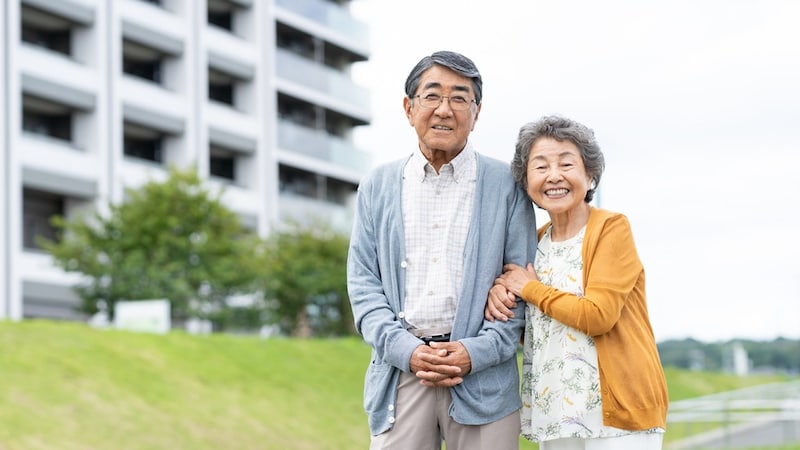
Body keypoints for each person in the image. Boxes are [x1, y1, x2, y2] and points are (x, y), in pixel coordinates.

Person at [346, 50, 537, 450]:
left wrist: (475, 351)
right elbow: (363, 287)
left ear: (477, 112)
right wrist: (407, 350)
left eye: (459, 98)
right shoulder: (377, 185)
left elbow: (523, 282)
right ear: (408, 107)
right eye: (432, 96)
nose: (444, 110)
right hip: (401, 375)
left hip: (484, 379)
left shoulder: (507, 185)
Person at [485, 115, 669, 450]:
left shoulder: (611, 228)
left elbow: (597, 315)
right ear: (526, 181)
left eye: (566, 164)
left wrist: (528, 288)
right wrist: (502, 293)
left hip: (617, 416)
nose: (554, 176)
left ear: (590, 174)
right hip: (555, 408)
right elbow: (538, 328)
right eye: (540, 167)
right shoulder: (534, 243)